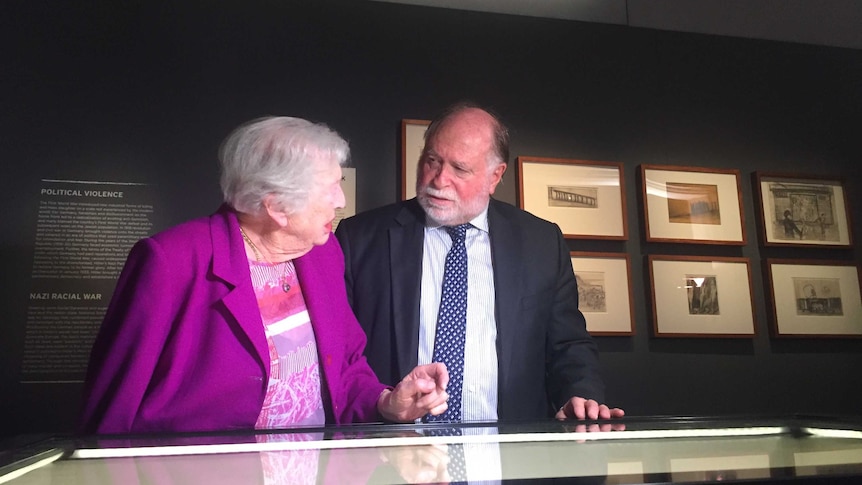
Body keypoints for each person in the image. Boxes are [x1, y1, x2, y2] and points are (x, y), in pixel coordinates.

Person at [78, 116, 449, 435]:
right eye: (330, 188)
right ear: (276, 206)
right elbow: (112, 410)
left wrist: (386, 402)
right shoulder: (170, 262)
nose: (340, 201)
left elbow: (346, 366)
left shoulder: (323, 253)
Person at [335, 102, 624, 423]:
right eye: (431, 160)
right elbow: (341, 354)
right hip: (393, 453)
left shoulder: (540, 242)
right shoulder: (361, 237)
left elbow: (568, 343)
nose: (439, 179)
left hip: (508, 452)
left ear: (494, 176)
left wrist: (579, 394)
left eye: (459, 169)